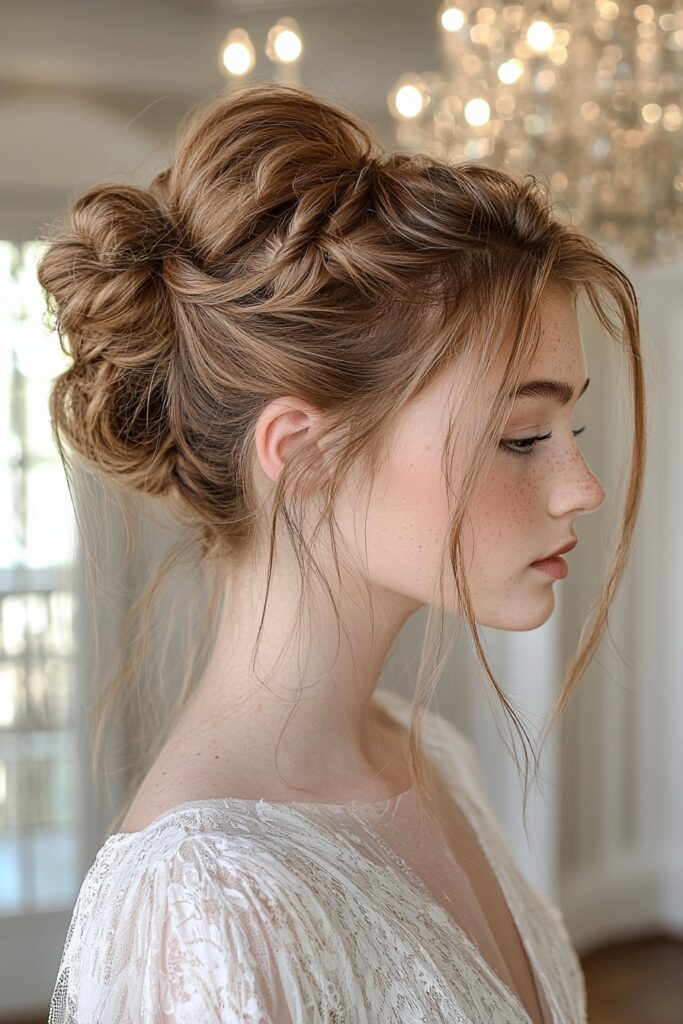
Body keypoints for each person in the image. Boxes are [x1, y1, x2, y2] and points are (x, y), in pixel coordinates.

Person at [38, 81, 645, 1023]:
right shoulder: (201, 905)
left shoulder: (428, 754)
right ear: (307, 456)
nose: (582, 487)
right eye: (523, 437)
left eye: (571, 427)